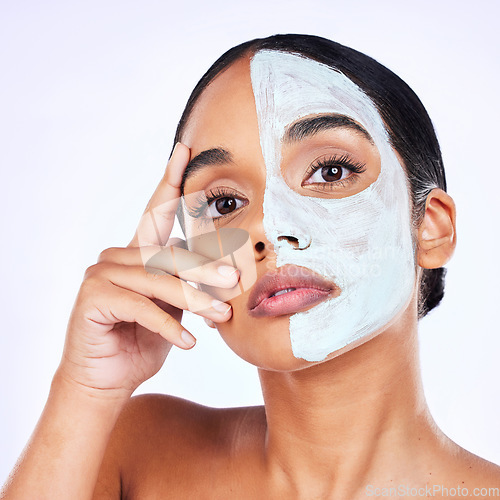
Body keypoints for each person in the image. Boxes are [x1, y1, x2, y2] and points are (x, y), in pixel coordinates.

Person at [2, 34, 499, 499]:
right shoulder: (137, 452)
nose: (268, 225)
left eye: (330, 171)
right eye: (223, 204)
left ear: (431, 228)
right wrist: (85, 390)